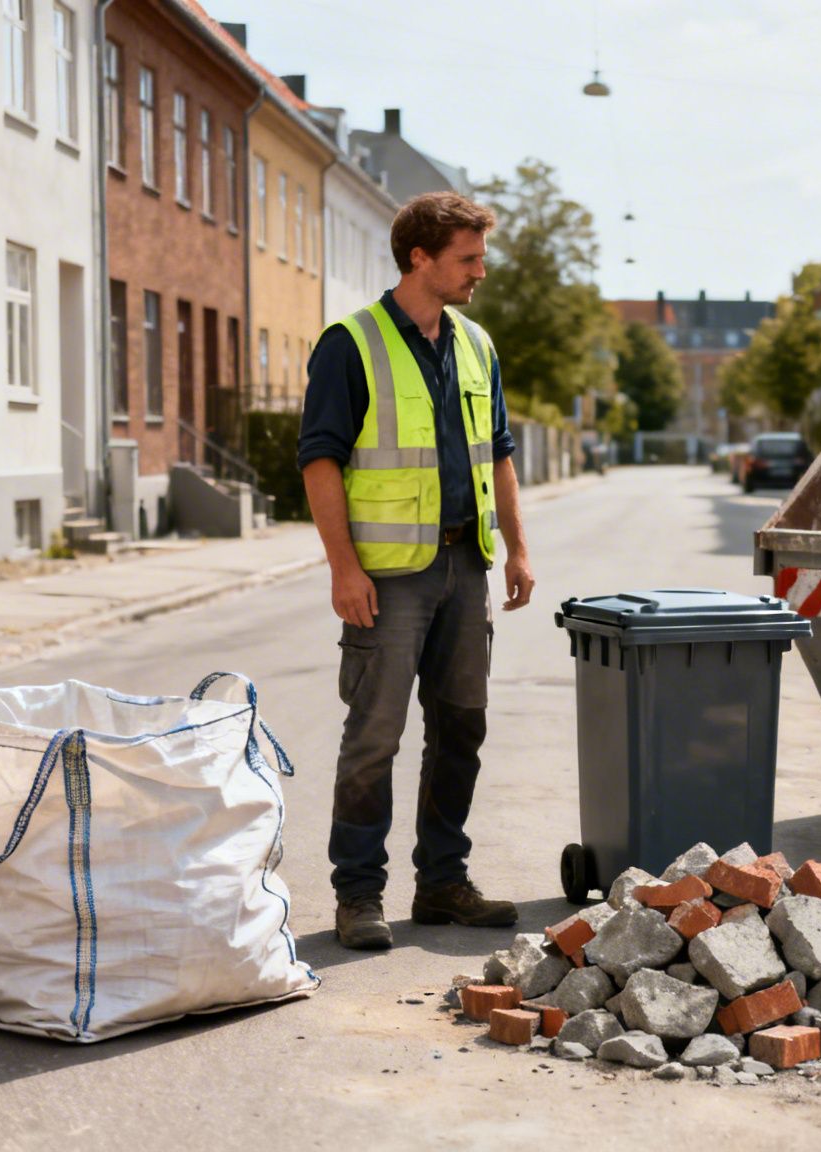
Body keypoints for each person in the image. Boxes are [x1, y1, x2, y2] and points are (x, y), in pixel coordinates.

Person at [297, 191, 536, 951]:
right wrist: (343, 568)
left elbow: (498, 452)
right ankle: (358, 895)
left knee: (461, 726)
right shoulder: (351, 343)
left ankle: (442, 884)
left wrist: (519, 549)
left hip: (467, 564)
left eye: (481, 258)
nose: (481, 273)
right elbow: (320, 460)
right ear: (419, 258)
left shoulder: (476, 345)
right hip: (389, 574)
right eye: (468, 259)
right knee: (375, 734)